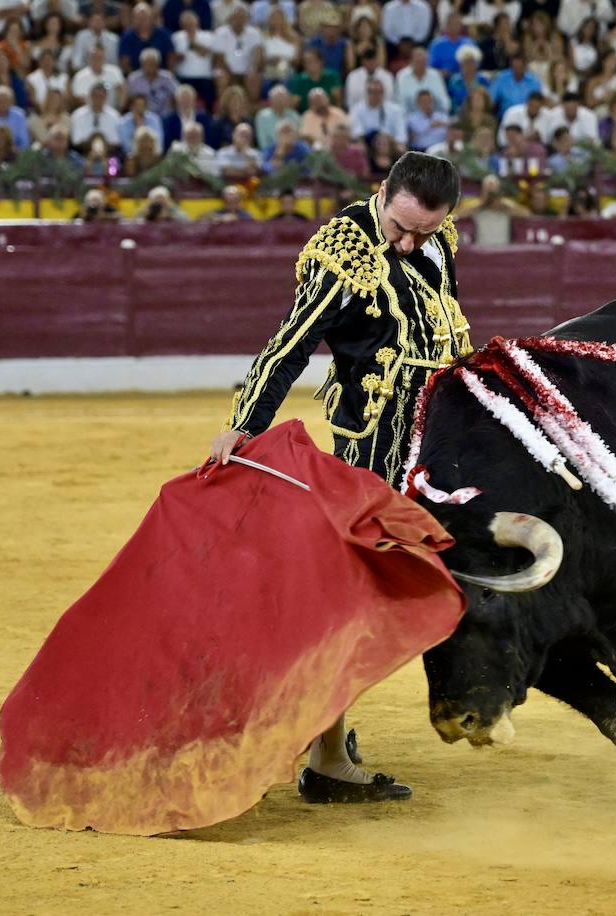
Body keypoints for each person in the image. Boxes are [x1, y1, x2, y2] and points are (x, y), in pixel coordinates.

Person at [209, 154, 466, 804]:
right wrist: (243, 424)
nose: (407, 243)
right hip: (373, 452)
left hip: (439, 440)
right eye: (400, 226)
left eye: (423, 234)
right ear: (381, 193)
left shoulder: (438, 245)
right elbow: (289, 345)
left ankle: (330, 744)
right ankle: (325, 756)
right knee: (351, 595)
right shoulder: (344, 254)